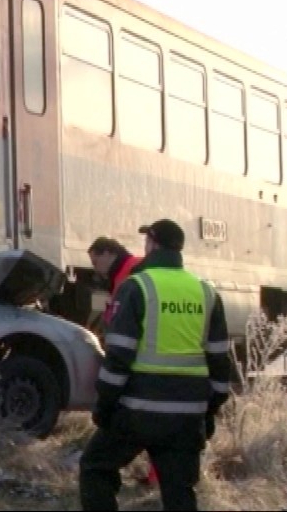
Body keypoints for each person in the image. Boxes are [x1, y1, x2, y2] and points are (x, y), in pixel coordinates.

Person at [79, 219, 231, 511]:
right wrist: (209, 411)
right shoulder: (206, 292)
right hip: (187, 416)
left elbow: (118, 356)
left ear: (152, 245)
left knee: (95, 467)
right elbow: (220, 363)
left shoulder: (138, 287)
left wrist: (105, 405)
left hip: (138, 411)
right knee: (180, 492)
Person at [87, 237, 156, 486]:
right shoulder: (126, 273)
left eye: (96, 262)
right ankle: (153, 477)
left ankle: (152, 478)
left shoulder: (132, 272)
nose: (96, 269)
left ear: (109, 253)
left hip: (143, 360)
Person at [87, 237, 142, 335]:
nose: (96, 269)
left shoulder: (127, 272)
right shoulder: (127, 269)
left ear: (106, 254)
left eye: (95, 263)